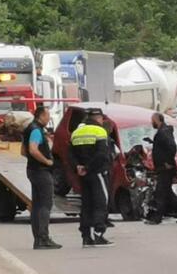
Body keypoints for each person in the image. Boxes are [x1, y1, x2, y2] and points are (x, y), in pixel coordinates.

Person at [69, 108, 114, 247]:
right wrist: (89, 167)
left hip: (83, 174)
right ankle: (99, 234)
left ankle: (86, 236)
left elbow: (70, 154)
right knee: (101, 202)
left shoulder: (76, 132)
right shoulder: (100, 131)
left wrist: (78, 167)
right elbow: (102, 154)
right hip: (98, 172)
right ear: (98, 118)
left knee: (87, 204)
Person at [22, 106, 62, 250]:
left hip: (33, 170)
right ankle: (43, 238)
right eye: (47, 115)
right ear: (41, 116)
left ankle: (38, 239)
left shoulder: (28, 129)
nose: (49, 118)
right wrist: (46, 161)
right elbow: (32, 150)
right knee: (45, 205)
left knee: (37, 205)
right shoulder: (36, 130)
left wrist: (34, 160)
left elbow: (23, 151)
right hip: (41, 171)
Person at [145, 113, 177, 225]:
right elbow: (163, 147)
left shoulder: (163, 132)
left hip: (166, 168)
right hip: (162, 167)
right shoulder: (162, 132)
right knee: (167, 192)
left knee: (160, 193)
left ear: (157, 120)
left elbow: (172, 146)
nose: (152, 122)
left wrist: (167, 162)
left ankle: (157, 218)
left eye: (152, 120)